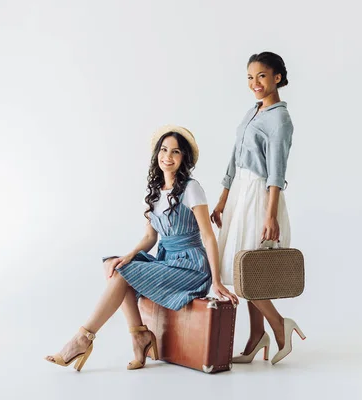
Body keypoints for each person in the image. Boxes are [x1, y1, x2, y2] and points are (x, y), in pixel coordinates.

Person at [45, 125, 238, 372]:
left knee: (124, 273)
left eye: (175, 152)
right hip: (167, 260)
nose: (167, 156)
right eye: (164, 150)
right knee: (114, 265)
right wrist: (129, 256)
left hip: (191, 266)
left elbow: (209, 237)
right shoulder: (156, 191)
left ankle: (84, 338)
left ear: (184, 158)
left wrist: (217, 281)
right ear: (157, 153)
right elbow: (150, 236)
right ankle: (139, 336)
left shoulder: (191, 188)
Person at [210, 52, 305, 365]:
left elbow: (277, 171)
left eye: (261, 76)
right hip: (240, 193)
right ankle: (256, 335)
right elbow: (233, 157)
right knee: (241, 268)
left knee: (247, 271)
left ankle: (279, 325)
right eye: (250, 77)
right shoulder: (253, 111)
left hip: (260, 196)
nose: (255, 83)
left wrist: (270, 214)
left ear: (277, 77)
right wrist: (223, 197)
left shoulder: (279, 119)